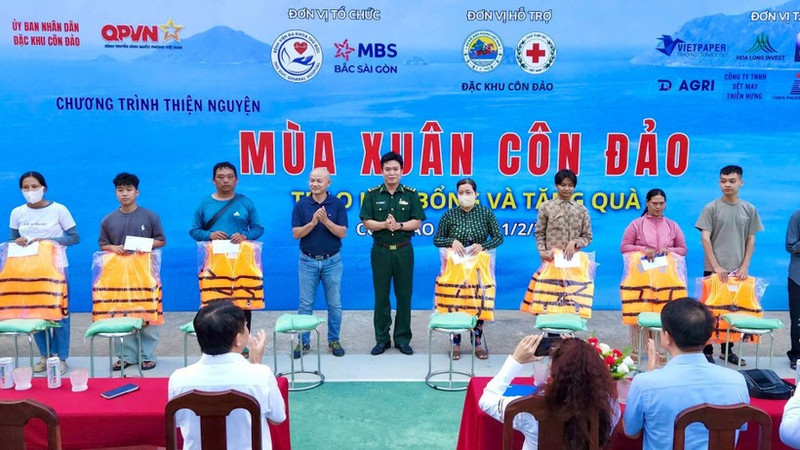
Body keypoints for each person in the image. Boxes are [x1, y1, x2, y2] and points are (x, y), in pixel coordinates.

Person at [623, 298, 749, 449]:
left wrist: (650, 376)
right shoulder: (737, 381)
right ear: (708, 337)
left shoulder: (645, 383)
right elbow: (741, 426)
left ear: (666, 337)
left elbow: (631, 432)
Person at [168, 300, 286, 450]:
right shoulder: (261, 375)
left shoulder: (178, 379)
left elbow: (178, 422)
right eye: (245, 327)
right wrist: (256, 363)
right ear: (238, 339)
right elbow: (278, 418)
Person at [479, 335, 619, 450]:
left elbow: (486, 399)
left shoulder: (527, 410)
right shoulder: (610, 407)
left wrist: (516, 361)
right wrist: (577, 351)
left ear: (554, 372)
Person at [10, 171, 80, 374]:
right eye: (25, 187)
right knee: (36, 314)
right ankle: (45, 355)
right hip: (29, 270)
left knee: (59, 314)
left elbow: (74, 237)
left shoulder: (59, 209)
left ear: (44, 188)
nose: (30, 191)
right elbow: (13, 239)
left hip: (56, 268)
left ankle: (60, 357)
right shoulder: (17, 212)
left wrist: (49, 241)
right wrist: (18, 241)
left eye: (34, 186)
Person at [695, 165, 763, 366]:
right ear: (719, 183)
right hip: (714, 270)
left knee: (732, 310)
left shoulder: (749, 209)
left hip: (738, 272)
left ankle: (727, 350)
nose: (727, 185)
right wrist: (716, 266)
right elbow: (705, 239)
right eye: (723, 181)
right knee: (709, 311)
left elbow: (751, 239)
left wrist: (744, 266)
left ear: (741, 183)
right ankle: (706, 350)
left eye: (732, 181)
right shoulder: (711, 208)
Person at [359, 152, 426, 356]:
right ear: (381, 171)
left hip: (404, 251)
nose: (391, 173)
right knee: (381, 297)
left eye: (395, 169)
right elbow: (366, 222)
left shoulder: (411, 194)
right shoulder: (372, 195)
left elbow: (417, 221)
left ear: (402, 171)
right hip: (380, 251)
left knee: (404, 296)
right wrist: (384, 225)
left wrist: (399, 225)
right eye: (387, 169)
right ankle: (382, 339)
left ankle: (402, 339)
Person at [98, 172, 166, 371]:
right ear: (115, 193)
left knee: (148, 313)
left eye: (129, 189)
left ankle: (147, 355)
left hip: (145, 273)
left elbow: (161, 240)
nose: (124, 194)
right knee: (122, 312)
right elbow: (103, 244)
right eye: (120, 190)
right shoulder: (108, 220)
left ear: (137, 192)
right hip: (119, 274)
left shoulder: (150, 216)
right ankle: (126, 355)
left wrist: (143, 245)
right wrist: (114, 248)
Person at [433, 178, 503, 360]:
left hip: (478, 270)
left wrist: (483, 245)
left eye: (468, 192)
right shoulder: (449, 215)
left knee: (477, 304)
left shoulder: (485, 213)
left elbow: (498, 237)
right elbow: (437, 239)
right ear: (456, 195)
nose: (465, 196)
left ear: (476, 194)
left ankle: (477, 343)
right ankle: (455, 344)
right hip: (455, 270)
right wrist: (451, 241)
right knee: (455, 304)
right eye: (461, 192)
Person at [190, 161, 264, 332]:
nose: (225, 180)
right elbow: (194, 231)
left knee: (242, 306)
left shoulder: (245, 202)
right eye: (221, 177)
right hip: (215, 265)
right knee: (214, 306)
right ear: (213, 180)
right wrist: (210, 235)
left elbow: (258, 229)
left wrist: (245, 236)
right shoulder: (204, 204)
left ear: (236, 180)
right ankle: (217, 343)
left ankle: (242, 342)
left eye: (230, 177)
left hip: (242, 264)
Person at [620, 188, 687, 362]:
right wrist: (643, 249)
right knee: (638, 311)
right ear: (647, 203)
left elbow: (682, 249)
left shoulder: (672, 225)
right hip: (640, 278)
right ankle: (636, 350)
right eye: (654, 203)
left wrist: (669, 250)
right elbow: (625, 247)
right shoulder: (636, 224)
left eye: (661, 203)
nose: (658, 207)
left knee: (663, 313)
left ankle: (661, 351)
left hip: (665, 280)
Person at [291, 167, 347, 358]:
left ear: (328, 183)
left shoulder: (337, 204)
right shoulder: (301, 205)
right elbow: (296, 234)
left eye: (319, 181)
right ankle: (303, 342)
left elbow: (342, 232)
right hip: (307, 261)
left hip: (332, 261)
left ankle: (334, 340)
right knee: (305, 304)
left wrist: (326, 222)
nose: (314, 184)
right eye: (312, 180)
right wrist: (313, 223)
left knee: (335, 304)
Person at [534, 169, 592, 262]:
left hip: (574, 261)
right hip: (551, 259)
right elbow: (539, 233)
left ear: (574, 187)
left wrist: (574, 242)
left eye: (570, 185)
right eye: (563, 185)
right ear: (556, 185)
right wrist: (542, 252)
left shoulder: (581, 209)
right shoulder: (546, 207)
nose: (566, 189)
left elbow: (587, 236)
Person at [786, 209, 800, 370]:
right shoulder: (797, 216)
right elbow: (791, 246)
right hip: (798, 277)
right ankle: (796, 354)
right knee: (797, 319)